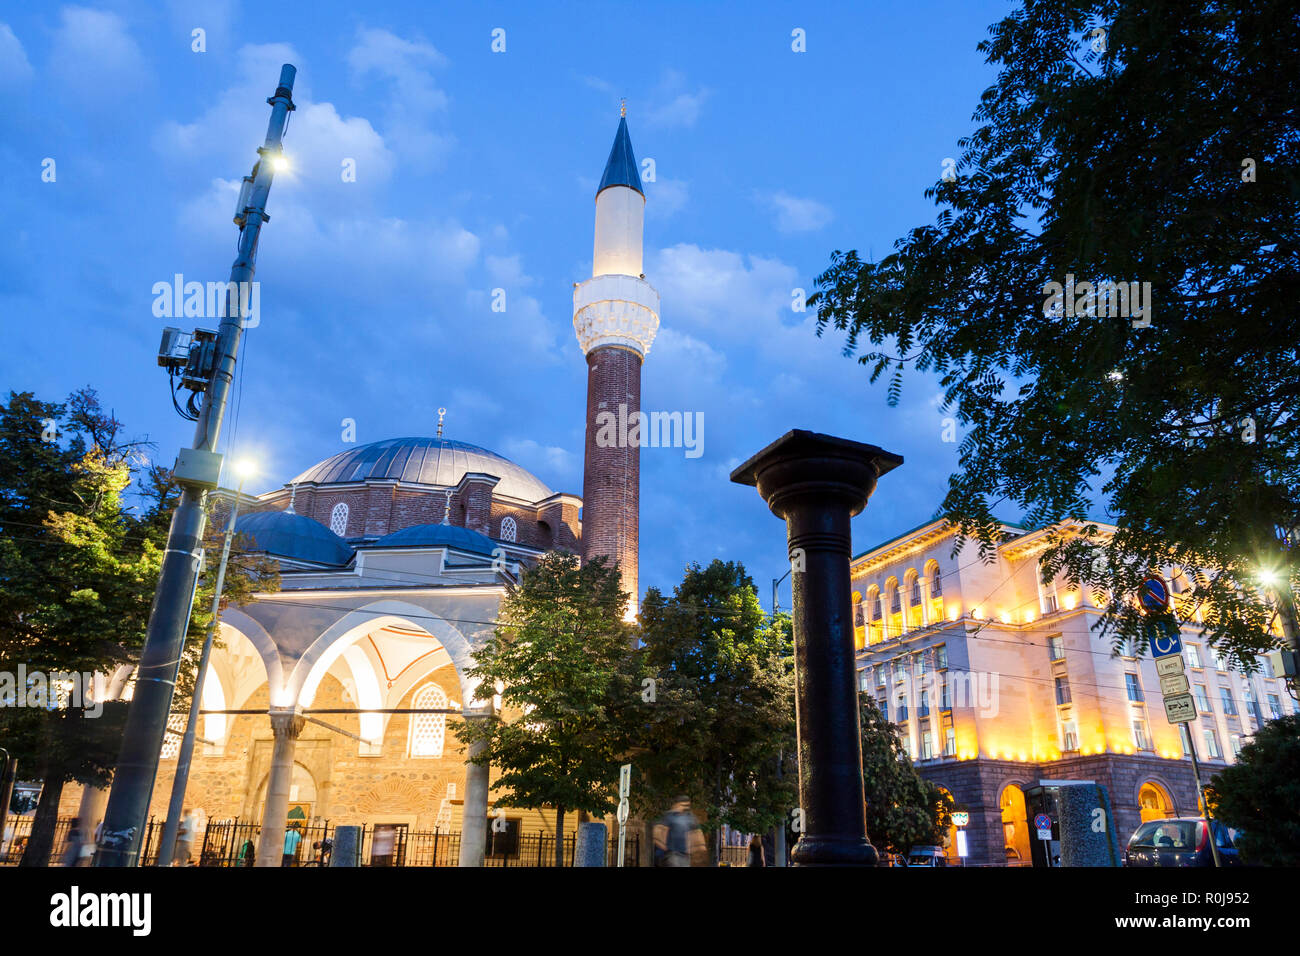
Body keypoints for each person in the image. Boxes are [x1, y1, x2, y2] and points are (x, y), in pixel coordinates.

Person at [653, 796, 707, 867]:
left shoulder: (689, 817)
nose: (686, 807)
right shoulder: (670, 816)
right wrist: (661, 843)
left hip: (685, 854)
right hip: (672, 853)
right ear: (677, 804)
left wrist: (700, 846)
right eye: (683, 805)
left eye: (687, 805)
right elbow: (660, 829)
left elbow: (696, 832)